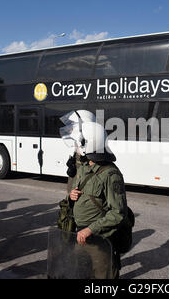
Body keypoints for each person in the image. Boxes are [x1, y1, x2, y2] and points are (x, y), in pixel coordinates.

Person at [60, 114, 129, 279]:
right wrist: (72, 197)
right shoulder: (84, 167)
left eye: (78, 143)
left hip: (100, 241)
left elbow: (118, 213)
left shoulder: (111, 174)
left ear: (88, 144)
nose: (76, 146)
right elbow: (81, 194)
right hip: (80, 236)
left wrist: (90, 230)